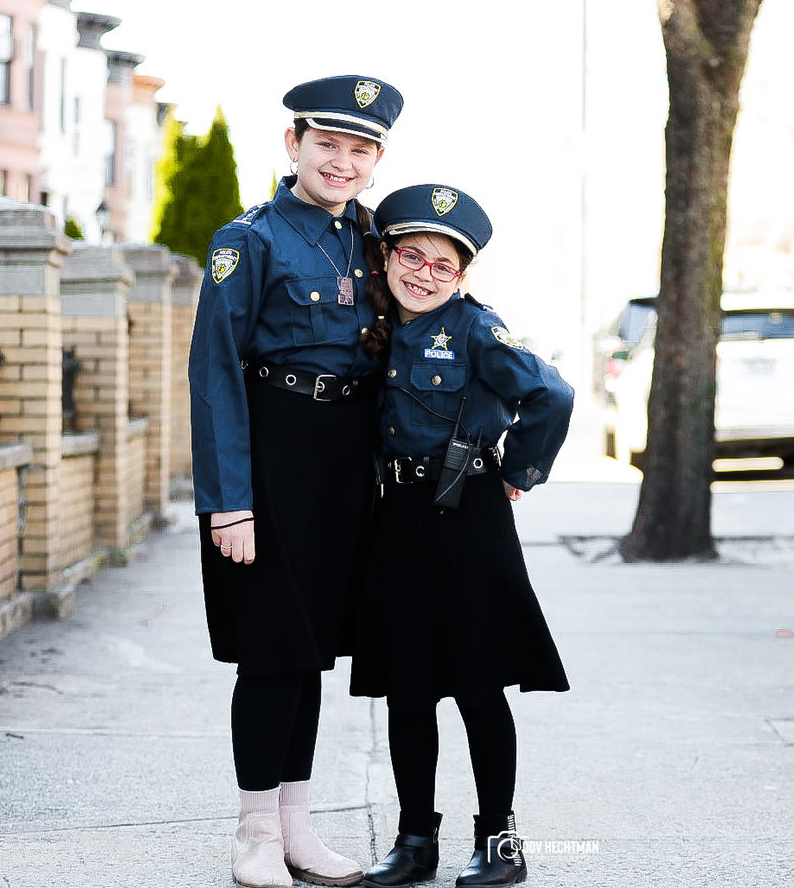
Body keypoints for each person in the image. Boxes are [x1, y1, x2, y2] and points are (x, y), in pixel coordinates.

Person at [188, 74, 403, 888]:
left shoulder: (373, 240)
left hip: (343, 467)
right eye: (328, 145)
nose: (342, 162)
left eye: (360, 149)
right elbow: (214, 373)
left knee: (310, 653)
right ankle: (252, 834)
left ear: (376, 160)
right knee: (271, 653)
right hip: (270, 460)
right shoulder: (248, 240)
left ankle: (298, 827)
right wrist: (228, 501)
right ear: (293, 145)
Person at [348, 185, 574, 888]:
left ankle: (499, 843)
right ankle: (415, 840)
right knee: (408, 688)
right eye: (410, 255)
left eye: (441, 265)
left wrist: (520, 468)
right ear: (387, 256)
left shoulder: (476, 328)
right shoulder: (373, 322)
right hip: (399, 519)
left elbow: (553, 394)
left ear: (462, 276)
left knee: (479, 684)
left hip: (468, 514)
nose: (422, 272)